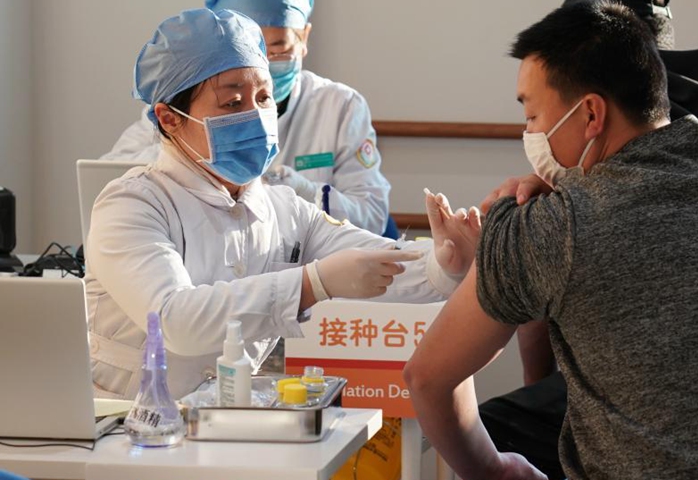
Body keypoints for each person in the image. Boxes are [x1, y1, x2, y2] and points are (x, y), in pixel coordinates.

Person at [405, 2, 698, 479]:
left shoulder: (559, 223)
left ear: (591, 112)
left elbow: (427, 379)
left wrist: (498, 470)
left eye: (532, 117)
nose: (529, 135)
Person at [85, 8, 481, 400]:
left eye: (262, 97)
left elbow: (376, 258)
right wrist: (312, 284)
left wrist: (442, 262)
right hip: (123, 422)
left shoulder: (283, 208)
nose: (256, 117)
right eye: (232, 104)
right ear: (169, 119)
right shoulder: (133, 204)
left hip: (217, 420)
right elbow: (176, 321)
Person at [100, 0, 396, 237]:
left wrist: (296, 187)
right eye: (231, 103)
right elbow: (111, 185)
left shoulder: (339, 107)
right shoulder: (176, 117)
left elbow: (370, 222)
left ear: (304, 37)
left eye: (277, 47)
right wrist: (196, 158)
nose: (261, 63)